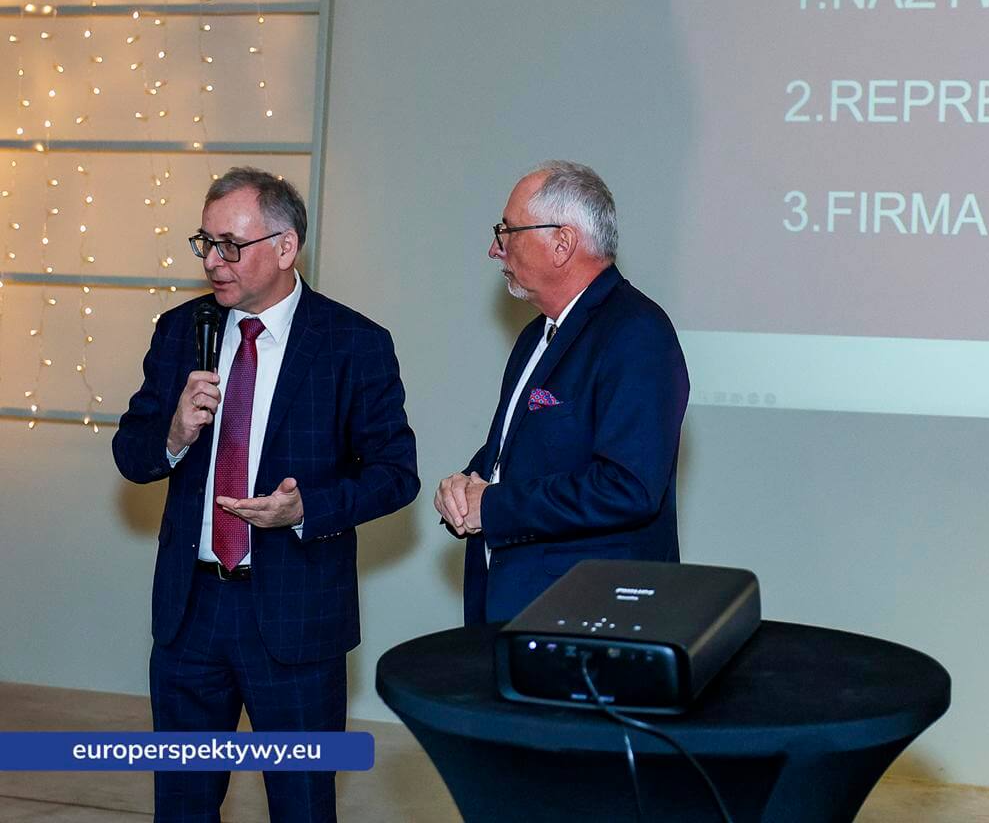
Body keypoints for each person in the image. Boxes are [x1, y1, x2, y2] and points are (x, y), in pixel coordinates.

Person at [112, 167, 420, 822]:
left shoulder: (352, 343)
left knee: (302, 805)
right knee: (182, 805)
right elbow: (131, 454)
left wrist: (308, 508)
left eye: (230, 245)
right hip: (191, 612)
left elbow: (396, 473)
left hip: (296, 616)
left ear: (285, 247)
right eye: (205, 242)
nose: (212, 261)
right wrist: (173, 433)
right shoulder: (180, 330)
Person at [433, 161, 689, 623]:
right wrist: (467, 484)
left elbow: (627, 487)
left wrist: (491, 506)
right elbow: (524, 451)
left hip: (589, 617)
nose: (495, 249)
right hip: (516, 607)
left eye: (508, 231)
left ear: (562, 243)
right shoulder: (536, 335)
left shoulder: (636, 333)